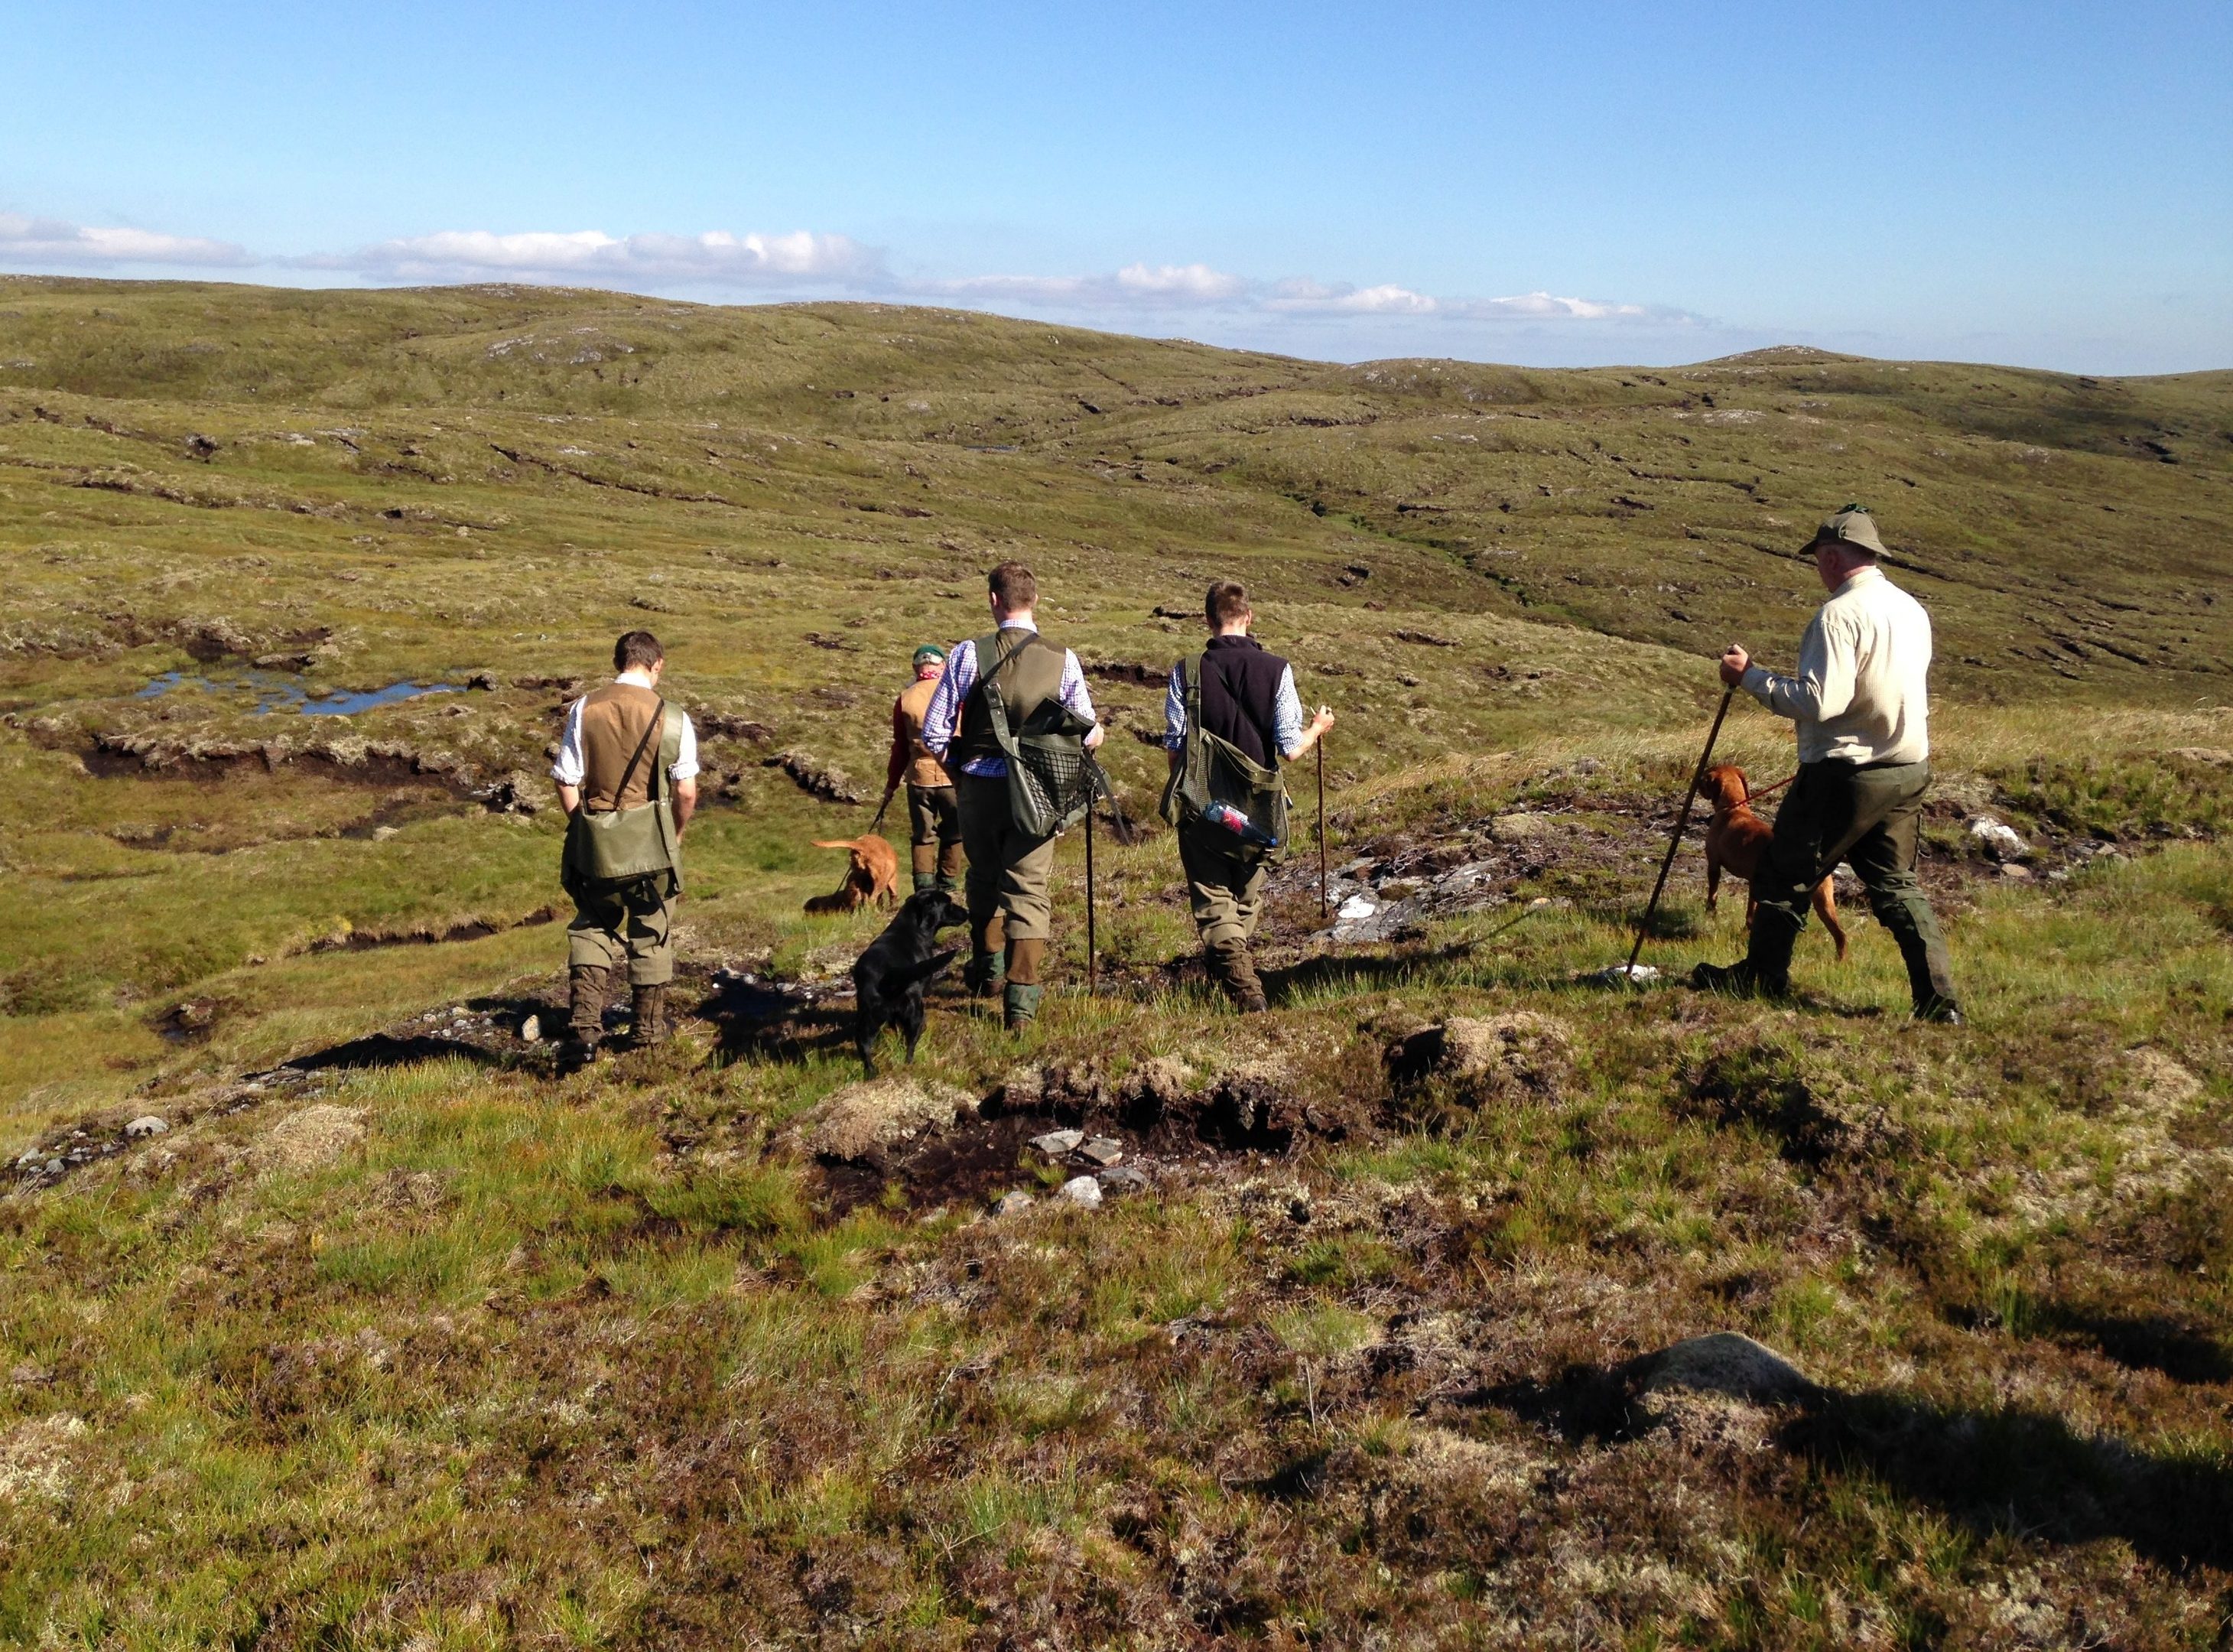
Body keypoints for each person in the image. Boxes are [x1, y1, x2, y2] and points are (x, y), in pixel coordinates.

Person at [1692, 506, 1963, 1023]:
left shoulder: (1838, 615)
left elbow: (1820, 703)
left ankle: (1762, 978)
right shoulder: (1911, 609)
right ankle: (1939, 1000)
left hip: (1843, 774)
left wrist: (1749, 677)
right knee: (1895, 885)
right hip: (1905, 769)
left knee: (1783, 875)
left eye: (1818, 558)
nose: (1818, 568)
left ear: (1833, 556)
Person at [921, 561, 1103, 1031]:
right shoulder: (1064, 658)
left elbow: (935, 731)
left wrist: (959, 777)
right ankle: (1020, 1006)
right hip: (1038, 796)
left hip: (979, 787)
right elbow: (1085, 731)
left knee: (982, 878)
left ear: (993, 600)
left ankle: (987, 971)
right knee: (1029, 890)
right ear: (1034, 600)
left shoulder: (965, 655)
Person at [1162, 580, 1334, 1010]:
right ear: (1249, 617)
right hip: (1260, 807)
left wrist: (1186, 794)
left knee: (1214, 897)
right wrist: (1318, 727)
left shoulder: (1185, 670)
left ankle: (1240, 980)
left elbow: (1176, 746)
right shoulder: (1277, 669)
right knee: (1245, 899)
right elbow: (1291, 749)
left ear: (1208, 619)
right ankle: (1237, 970)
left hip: (1203, 806)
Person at [551, 630, 700, 1063]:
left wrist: (584, 829)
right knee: (652, 932)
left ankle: (584, 1033)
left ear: (618, 662)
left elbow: (565, 778)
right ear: (657, 665)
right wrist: (674, 836)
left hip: (595, 841)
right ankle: (649, 1033)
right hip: (653, 843)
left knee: (591, 927)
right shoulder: (674, 717)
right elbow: (686, 792)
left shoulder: (584, 708)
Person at [881, 644, 965, 894]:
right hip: (952, 776)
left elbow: (900, 749)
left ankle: (924, 890)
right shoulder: (956, 696)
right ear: (943, 666)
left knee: (923, 835)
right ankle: (948, 886)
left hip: (919, 779)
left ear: (916, 667)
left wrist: (891, 785)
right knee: (955, 833)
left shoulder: (905, 699)